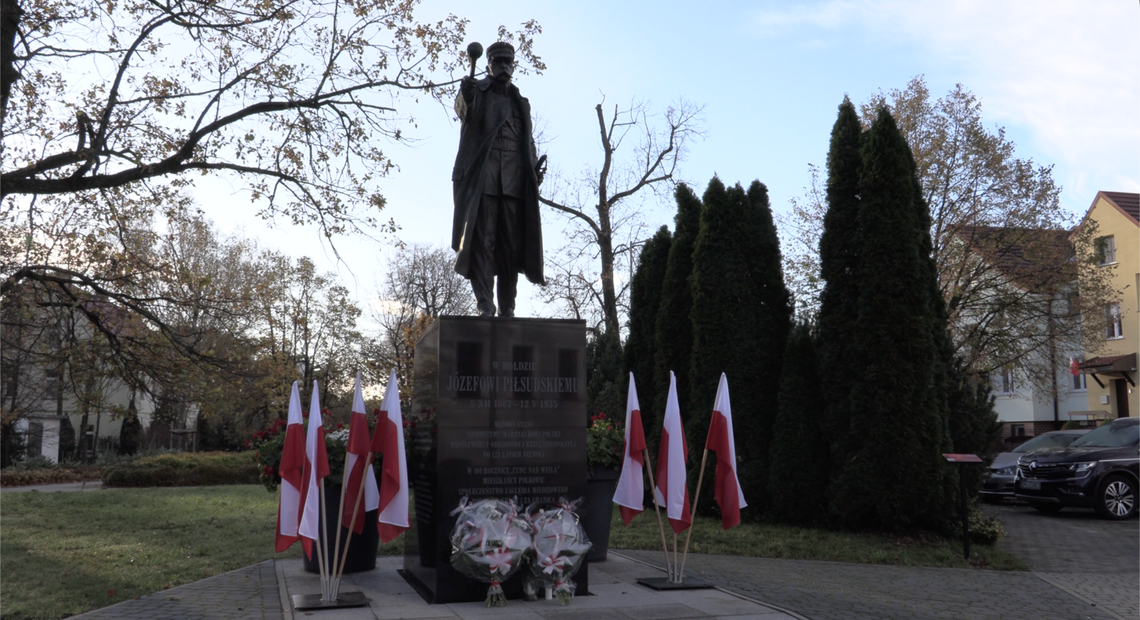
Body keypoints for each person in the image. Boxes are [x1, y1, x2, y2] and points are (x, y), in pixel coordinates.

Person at [451, 41, 545, 317]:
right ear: (488, 64)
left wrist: (533, 170)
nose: (504, 66)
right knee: (483, 244)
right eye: (498, 61)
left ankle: (508, 308)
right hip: (485, 180)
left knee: (510, 248)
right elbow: (464, 109)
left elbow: (527, 141)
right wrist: (466, 94)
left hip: (515, 183)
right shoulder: (476, 92)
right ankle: (484, 304)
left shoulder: (521, 102)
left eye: (508, 62)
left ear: (513, 65)